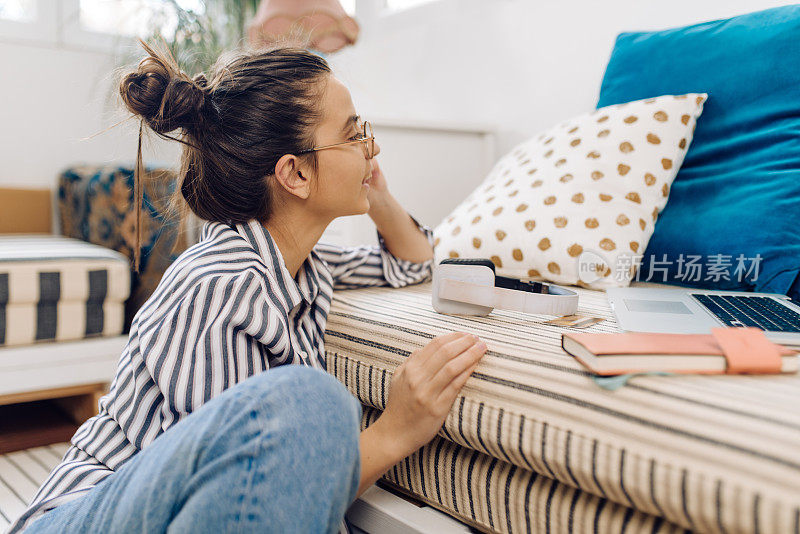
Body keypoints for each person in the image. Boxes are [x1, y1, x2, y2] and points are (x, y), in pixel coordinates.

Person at [9, 41, 487, 533]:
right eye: (354, 134)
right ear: (295, 173)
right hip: (78, 520)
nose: (373, 145)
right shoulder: (219, 285)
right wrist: (395, 431)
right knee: (311, 402)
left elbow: (413, 265)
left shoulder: (306, 265)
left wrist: (377, 193)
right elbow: (260, 478)